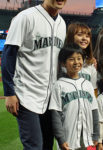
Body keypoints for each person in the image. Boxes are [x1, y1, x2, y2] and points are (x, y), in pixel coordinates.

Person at [1, 0, 67, 150]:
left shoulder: (62, 24)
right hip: (27, 94)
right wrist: (9, 93)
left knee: (47, 146)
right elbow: (8, 55)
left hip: (51, 98)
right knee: (34, 146)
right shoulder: (25, 17)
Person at [49, 44, 99, 150]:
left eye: (79, 58)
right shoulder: (59, 85)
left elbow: (94, 110)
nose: (76, 62)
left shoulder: (88, 84)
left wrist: (96, 133)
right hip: (67, 137)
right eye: (71, 59)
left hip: (84, 136)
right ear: (63, 63)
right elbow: (55, 114)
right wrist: (60, 139)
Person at [65, 22, 98, 95]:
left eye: (87, 36)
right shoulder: (62, 59)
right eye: (80, 35)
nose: (84, 38)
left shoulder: (90, 62)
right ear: (71, 36)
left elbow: (94, 90)